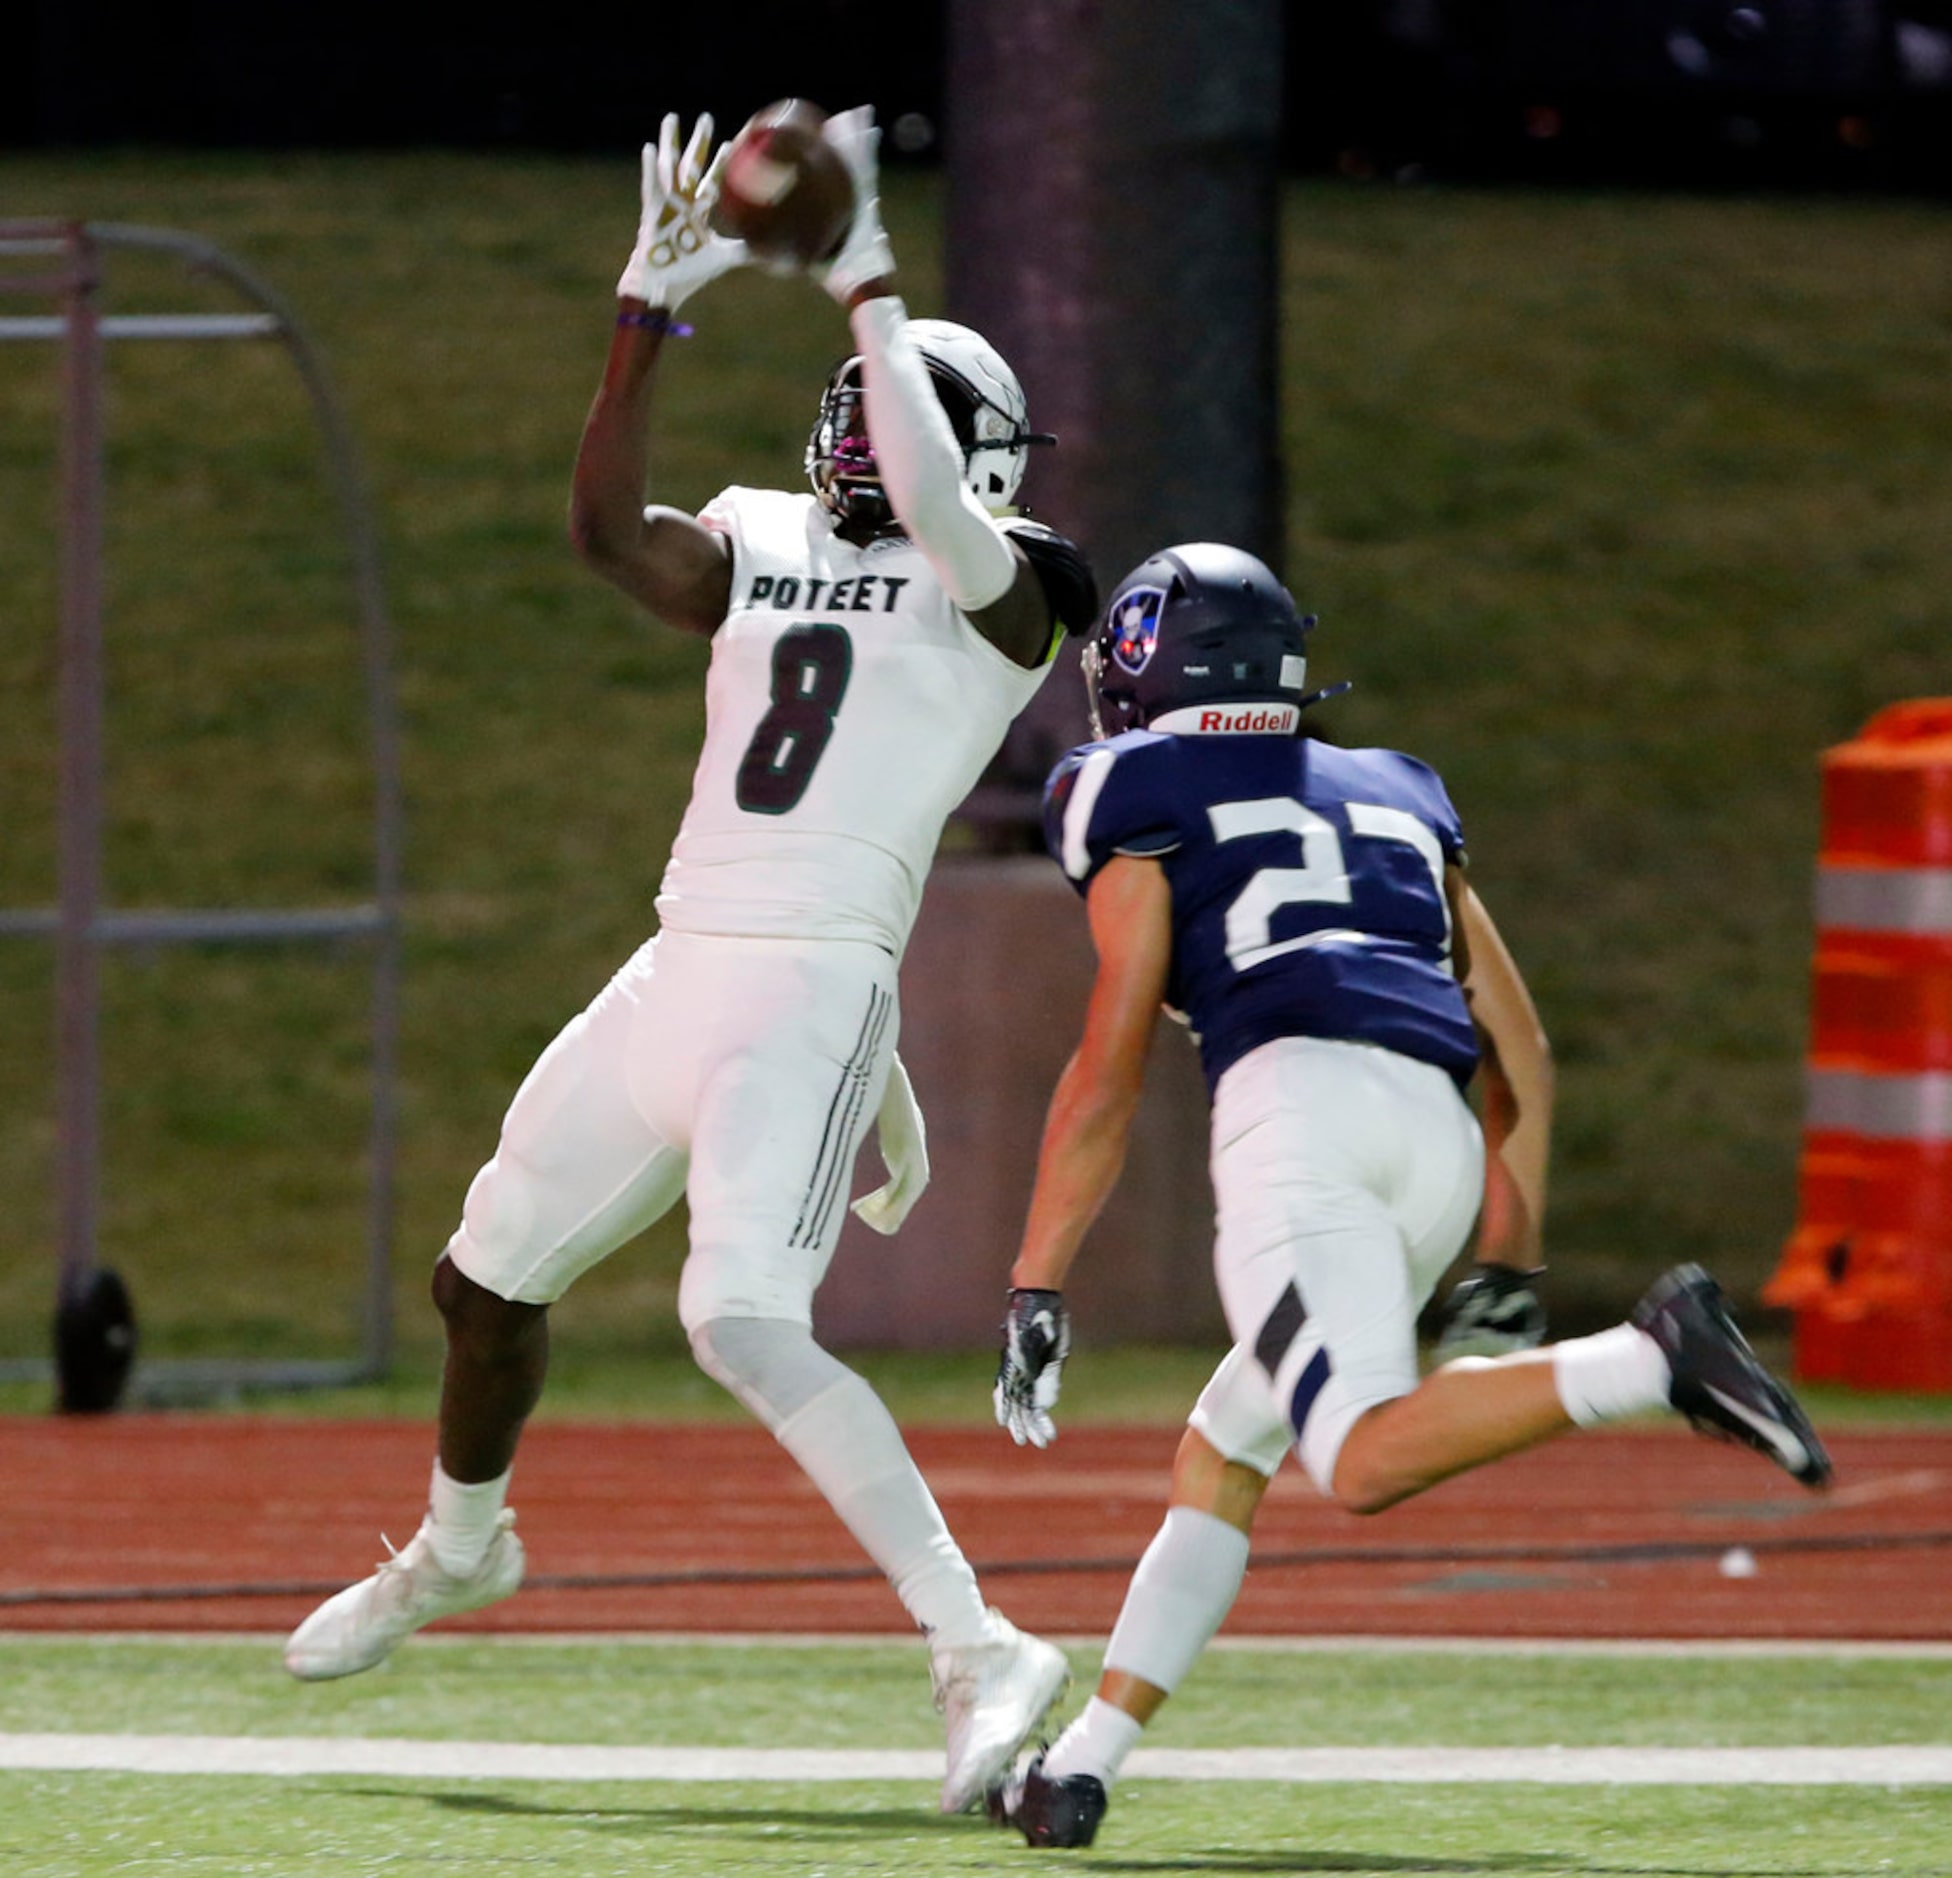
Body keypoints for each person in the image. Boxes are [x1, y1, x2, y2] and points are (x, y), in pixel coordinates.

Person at [283, 108, 1098, 1816]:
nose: (850, 437)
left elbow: (947, 518)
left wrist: (867, 273)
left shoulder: (1008, 589)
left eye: (884, 416)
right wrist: (644, 313)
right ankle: (458, 1546)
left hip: (805, 989)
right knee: (484, 1278)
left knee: (736, 1318)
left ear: (980, 457)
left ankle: (978, 1642)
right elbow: (603, 533)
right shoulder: (768, 538)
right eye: (849, 407)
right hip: (679, 962)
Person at [983, 542, 1832, 1848]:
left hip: (1299, 1122)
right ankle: (1082, 1763)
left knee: (1362, 1457)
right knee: (1226, 1448)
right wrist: (1506, 1250)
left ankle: (1647, 1358)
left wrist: (1038, 1276)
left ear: (1156, 662)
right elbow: (1521, 1047)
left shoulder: (1122, 785)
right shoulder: (1395, 787)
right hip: (1433, 1134)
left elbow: (1109, 1063)